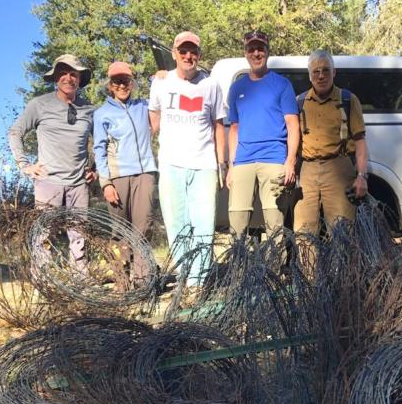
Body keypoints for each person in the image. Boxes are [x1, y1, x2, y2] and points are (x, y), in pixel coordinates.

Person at [148, 31, 226, 286]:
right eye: (183, 51)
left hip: (204, 165)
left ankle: (197, 284)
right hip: (171, 164)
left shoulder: (211, 84)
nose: (188, 56)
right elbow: (153, 122)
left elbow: (218, 126)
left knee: (203, 226)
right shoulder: (161, 82)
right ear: (174, 54)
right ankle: (184, 278)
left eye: (193, 51)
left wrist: (222, 163)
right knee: (176, 226)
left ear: (199, 55)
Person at [8, 54, 97, 268]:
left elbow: (101, 142)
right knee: (44, 234)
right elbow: (15, 132)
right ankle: (44, 281)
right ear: (56, 78)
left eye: (73, 74)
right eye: (63, 73)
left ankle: (80, 282)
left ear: (79, 79)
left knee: (79, 235)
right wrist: (25, 165)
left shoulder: (89, 110)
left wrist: (95, 168)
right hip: (48, 181)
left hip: (78, 184)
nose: (68, 78)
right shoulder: (39, 105)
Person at [225, 30, 299, 237]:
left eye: (261, 49)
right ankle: (238, 268)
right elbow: (235, 129)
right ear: (246, 53)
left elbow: (293, 126)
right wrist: (231, 166)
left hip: (274, 159)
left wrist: (290, 162)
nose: (256, 53)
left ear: (267, 51)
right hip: (243, 161)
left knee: (275, 223)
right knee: (237, 222)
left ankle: (275, 268)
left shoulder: (282, 84)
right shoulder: (237, 87)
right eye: (251, 49)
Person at [93, 61, 157, 282]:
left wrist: (159, 78)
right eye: (117, 81)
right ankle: (122, 280)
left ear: (132, 82)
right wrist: (106, 183)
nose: (122, 85)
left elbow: (161, 101)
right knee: (120, 230)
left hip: (145, 173)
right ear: (110, 85)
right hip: (117, 176)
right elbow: (99, 149)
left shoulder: (143, 106)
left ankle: (142, 279)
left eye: (126, 80)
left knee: (144, 225)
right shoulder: (102, 114)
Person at [292, 50, 368, 235]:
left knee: (342, 230)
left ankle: (340, 265)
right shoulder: (299, 102)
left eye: (326, 70)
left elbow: (360, 141)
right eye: (316, 71)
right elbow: (292, 139)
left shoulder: (348, 99)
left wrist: (362, 176)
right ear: (309, 76)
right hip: (307, 170)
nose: (321, 75)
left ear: (334, 73)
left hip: (339, 167)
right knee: (304, 231)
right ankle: (308, 265)